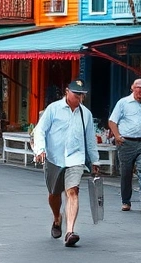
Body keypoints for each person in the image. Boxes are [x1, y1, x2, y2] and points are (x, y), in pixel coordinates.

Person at [33, 80, 100, 248]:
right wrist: (40, 149)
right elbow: (40, 130)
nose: (79, 98)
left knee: (73, 191)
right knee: (54, 194)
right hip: (54, 158)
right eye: (76, 94)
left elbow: (90, 139)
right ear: (67, 91)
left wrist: (95, 160)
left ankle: (70, 231)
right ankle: (57, 218)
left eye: (82, 95)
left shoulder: (86, 114)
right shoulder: (53, 109)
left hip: (75, 158)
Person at [108, 78, 141, 212]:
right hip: (126, 142)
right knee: (126, 172)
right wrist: (117, 136)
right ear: (132, 88)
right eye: (139, 88)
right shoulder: (123, 103)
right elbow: (112, 121)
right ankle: (126, 201)